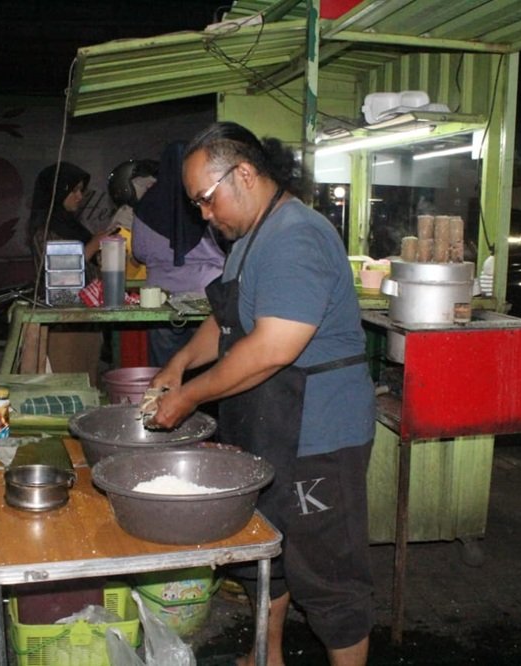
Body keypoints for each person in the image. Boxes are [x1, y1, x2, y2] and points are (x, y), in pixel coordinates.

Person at [148, 122, 376, 666]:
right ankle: (263, 656)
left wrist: (190, 397)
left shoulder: (298, 237)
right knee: (265, 551)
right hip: (272, 425)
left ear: (244, 174)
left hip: (319, 432)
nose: (204, 214)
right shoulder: (252, 237)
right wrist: (179, 363)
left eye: (207, 199)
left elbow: (273, 346)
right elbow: (228, 320)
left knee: (326, 575)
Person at [131, 141, 225, 366]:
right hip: (207, 297)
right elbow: (225, 247)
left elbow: (139, 254)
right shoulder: (204, 201)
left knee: (167, 370)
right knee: (206, 370)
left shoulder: (146, 204)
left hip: (160, 300)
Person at [27, 161, 116, 386]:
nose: (79, 196)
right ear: (56, 191)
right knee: (68, 384)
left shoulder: (71, 225)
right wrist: (93, 246)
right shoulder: (45, 227)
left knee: (88, 381)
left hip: (85, 316)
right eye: (73, 190)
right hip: (62, 321)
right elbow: (58, 272)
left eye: (81, 190)